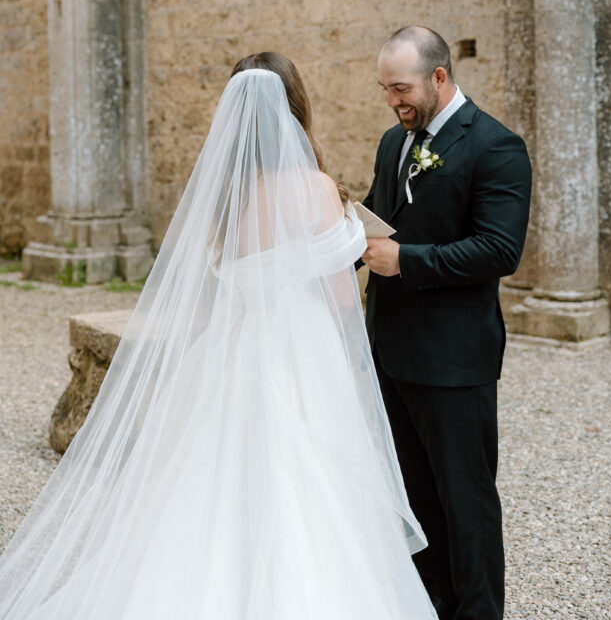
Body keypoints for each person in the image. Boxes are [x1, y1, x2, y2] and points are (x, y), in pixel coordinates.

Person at [0, 53, 438, 620]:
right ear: (295, 108)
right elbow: (336, 298)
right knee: (308, 478)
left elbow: (218, 284)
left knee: (210, 478)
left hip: (233, 346)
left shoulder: (222, 193)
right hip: (299, 350)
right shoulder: (314, 186)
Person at [361, 26, 532, 620]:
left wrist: (406, 260)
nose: (392, 102)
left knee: (467, 503)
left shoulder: (496, 146)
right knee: (415, 500)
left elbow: (499, 250)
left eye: (401, 89)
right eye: (384, 89)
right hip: (391, 351)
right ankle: (431, 605)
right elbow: (382, 215)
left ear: (439, 77)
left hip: (455, 361)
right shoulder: (393, 143)